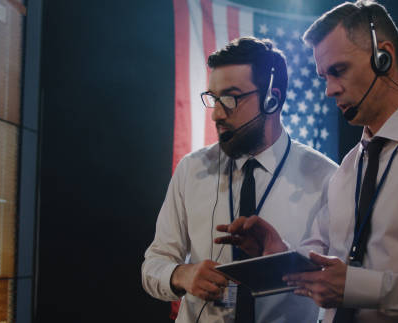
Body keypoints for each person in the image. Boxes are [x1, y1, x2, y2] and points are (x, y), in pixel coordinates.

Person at [215, 1, 398, 322]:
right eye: (324, 76)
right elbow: (320, 257)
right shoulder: (347, 168)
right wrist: (278, 253)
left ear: (384, 58)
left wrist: (363, 287)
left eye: (338, 71)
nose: (329, 90)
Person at [142, 37, 338, 323]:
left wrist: (286, 260)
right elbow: (153, 264)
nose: (217, 114)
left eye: (231, 98)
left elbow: (338, 285)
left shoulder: (328, 179)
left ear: (273, 99)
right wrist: (182, 274)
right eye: (214, 98)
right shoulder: (192, 170)